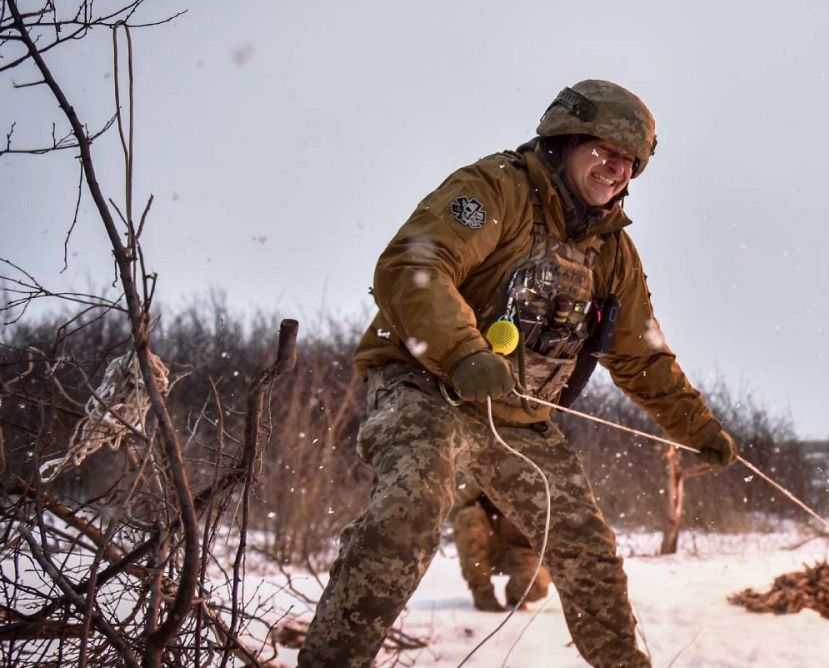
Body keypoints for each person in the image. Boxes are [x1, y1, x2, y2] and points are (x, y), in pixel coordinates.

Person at [299, 80, 738, 667]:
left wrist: (697, 427)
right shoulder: (494, 190)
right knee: (411, 511)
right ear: (567, 140)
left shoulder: (612, 253)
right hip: (427, 386)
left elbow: (642, 355)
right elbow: (416, 263)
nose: (615, 169)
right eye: (604, 151)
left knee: (589, 553)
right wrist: (462, 353)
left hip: (521, 420)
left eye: (628, 161)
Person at [451, 479, 551, 612]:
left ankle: (516, 594)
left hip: (520, 550)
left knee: (538, 582)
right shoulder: (485, 465)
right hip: (488, 542)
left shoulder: (542, 473)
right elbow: (452, 505)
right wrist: (479, 481)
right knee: (469, 516)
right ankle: (482, 592)